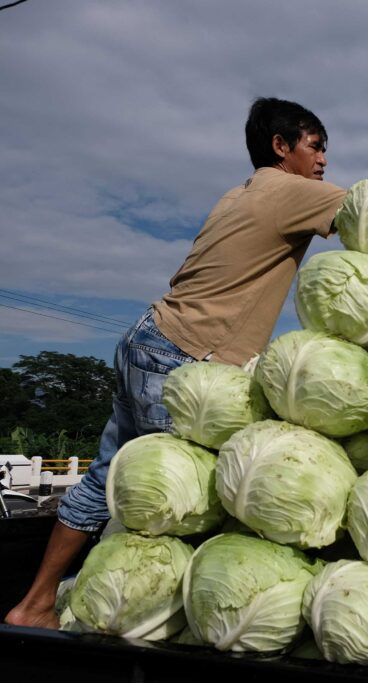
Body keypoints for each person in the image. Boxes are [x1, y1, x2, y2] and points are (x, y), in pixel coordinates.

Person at [4, 97, 348, 629]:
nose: (324, 159)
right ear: (282, 148)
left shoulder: (237, 195)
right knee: (185, 500)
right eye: (315, 146)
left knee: (106, 480)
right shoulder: (291, 191)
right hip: (186, 358)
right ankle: (161, 624)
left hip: (150, 338)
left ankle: (34, 606)